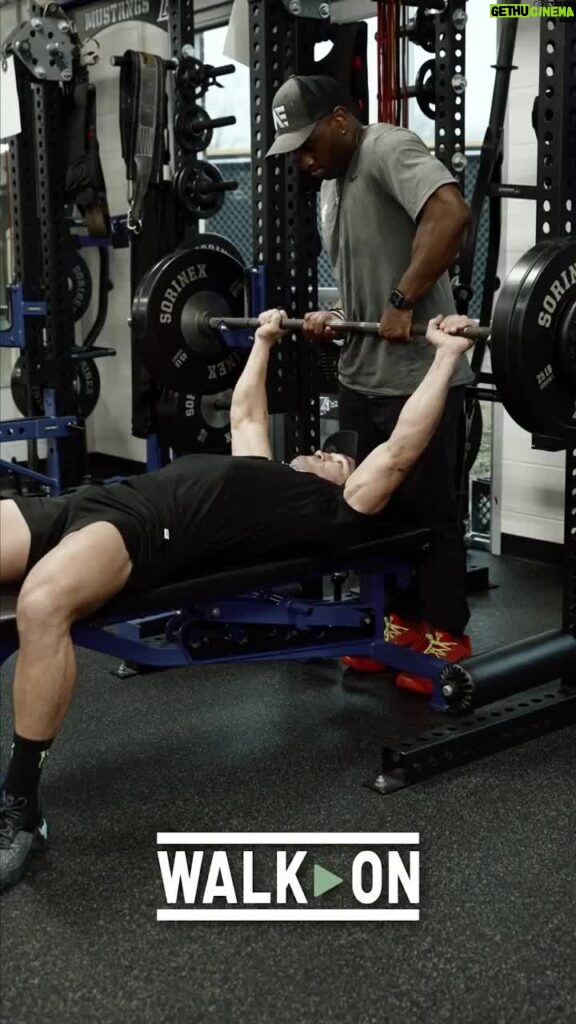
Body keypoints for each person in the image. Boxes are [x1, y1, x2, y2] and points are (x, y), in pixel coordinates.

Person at [0, 308, 475, 890]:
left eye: (340, 459)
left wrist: (446, 356)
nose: (328, 452)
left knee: (41, 607)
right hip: (90, 502)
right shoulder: (264, 469)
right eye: (327, 450)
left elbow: (400, 449)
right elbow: (247, 411)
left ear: (350, 484)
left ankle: (20, 805)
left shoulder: (331, 511)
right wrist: (265, 340)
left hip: (143, 534)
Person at [266, 74, 476, 692]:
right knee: (371, 509)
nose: (304, 160)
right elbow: (365, 272)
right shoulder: (332, 185)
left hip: (420, 378)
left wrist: (401, 297)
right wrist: (335, 316)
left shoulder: (386, 147)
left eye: (309, 144)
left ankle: (447, 632)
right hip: (362, 376)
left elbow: (451, 210)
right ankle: (400, 624)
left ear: (339, 118)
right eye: (295, 152)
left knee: (431, 512)